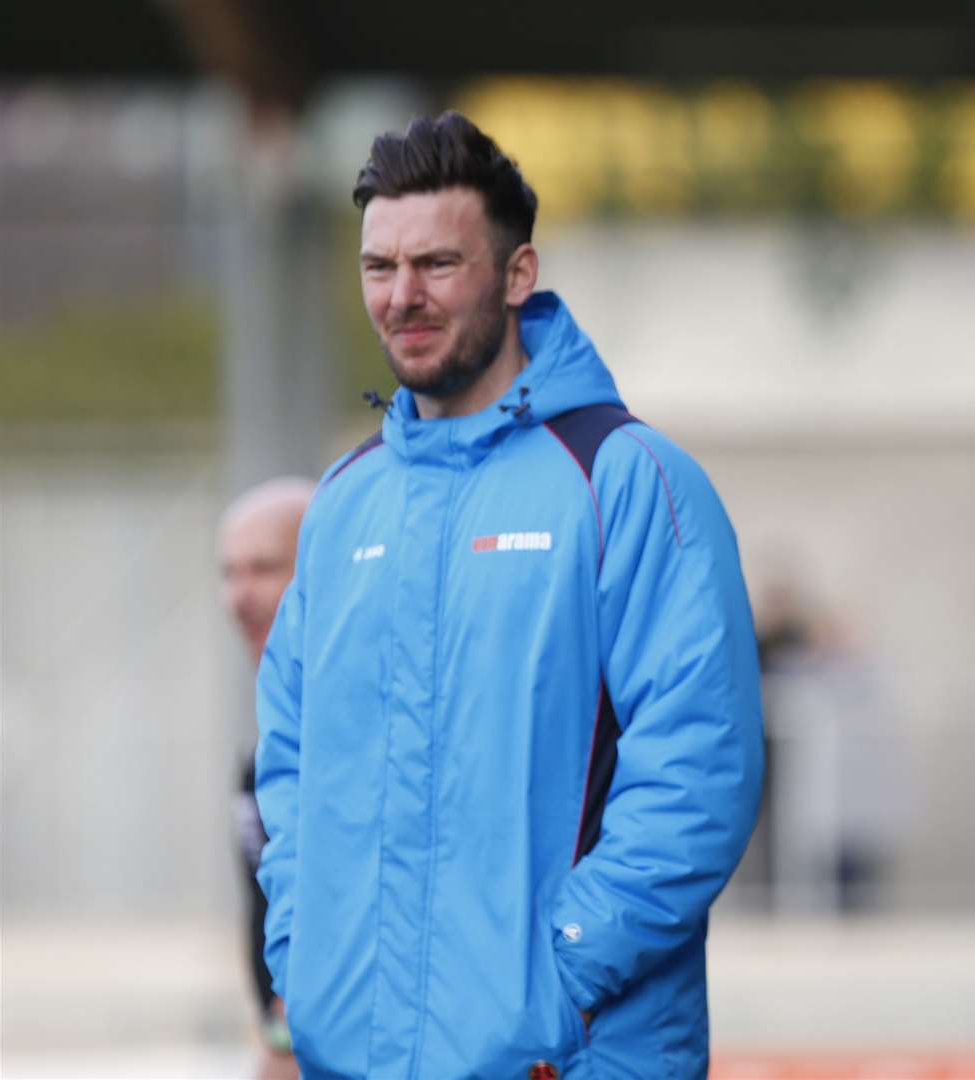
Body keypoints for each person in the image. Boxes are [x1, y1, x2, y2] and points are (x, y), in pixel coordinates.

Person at [254, 112, 764, 1078]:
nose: (403, 297)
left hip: (570, 1054)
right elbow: (291, 761)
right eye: (379, 268)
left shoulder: (628, 480)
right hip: (356, 1053)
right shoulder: (344, 502)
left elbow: (699, 774)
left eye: (439, 265)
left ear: (517, 275)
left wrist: (553, 983)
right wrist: (305, 947)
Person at [219, 476, 314, 1080]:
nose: (239, 596)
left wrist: (286, 1034)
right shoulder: (270, 737)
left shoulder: (345, 729)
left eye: (263, 569)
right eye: (228, 572)